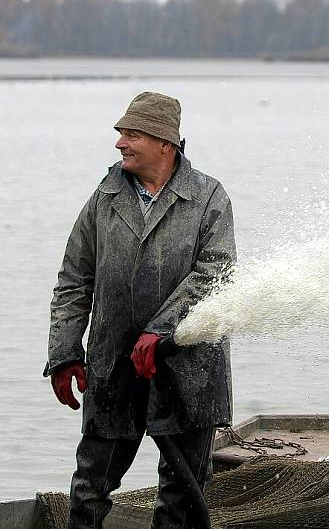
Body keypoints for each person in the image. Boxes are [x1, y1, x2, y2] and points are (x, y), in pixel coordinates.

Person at [45, 91, 236, 527]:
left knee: (183, 494)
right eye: (120, 134)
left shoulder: (209, 197)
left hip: (190, 367)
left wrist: (162, 330)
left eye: (131, 135)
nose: (120, 143)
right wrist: (65, 354)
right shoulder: (105, 196)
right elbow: (74, 281)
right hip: (114, 365)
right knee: (90, 487)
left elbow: (215, 274)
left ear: (165, 143)